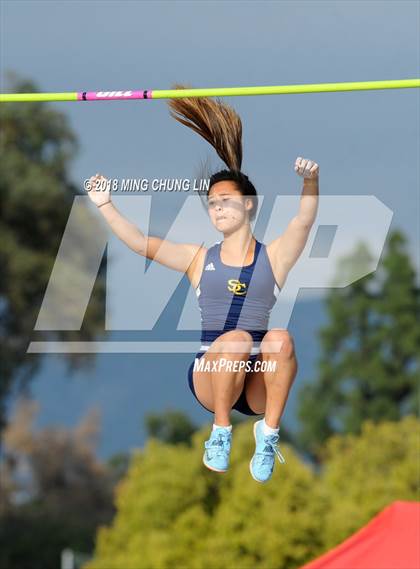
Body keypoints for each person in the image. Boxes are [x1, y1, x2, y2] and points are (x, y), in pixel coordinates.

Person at [85, 84, 319, 483]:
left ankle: (268, 435)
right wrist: (106, 204)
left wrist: (310, 182)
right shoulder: (198, 258)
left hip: (256, 377)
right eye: (211, 204)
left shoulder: (273, 257)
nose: (217, 208)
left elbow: (303, 220)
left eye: (226, 201)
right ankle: (221, 432)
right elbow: (143, 244)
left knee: (280, 339)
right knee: (238, 340)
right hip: (211, 374)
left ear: (248, 205)